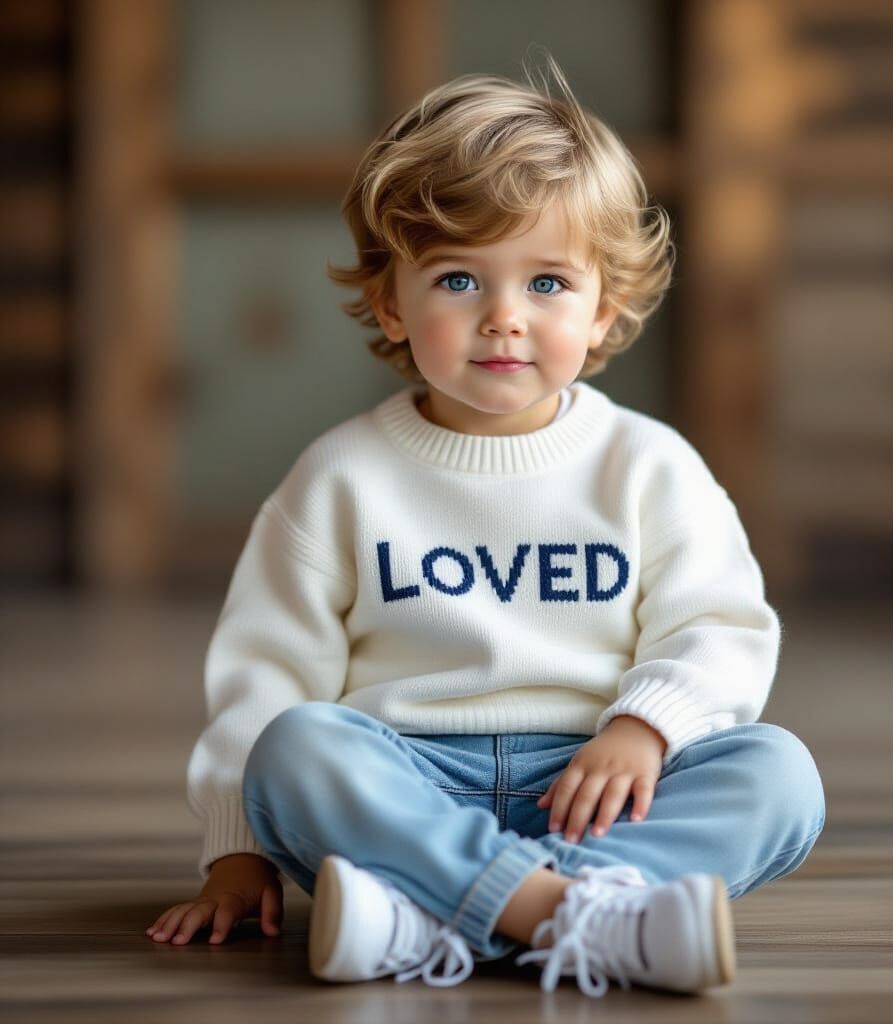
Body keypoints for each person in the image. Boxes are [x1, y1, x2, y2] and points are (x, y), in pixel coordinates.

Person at [146, 53, 826, 999]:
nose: (504, 318)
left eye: (548, 283)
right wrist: (237, 852)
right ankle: (584, 921)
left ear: (604, 310)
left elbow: (721, 626)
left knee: (778, 772)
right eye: (459, 281)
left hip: (597, 787)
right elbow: (265, 672)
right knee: (295, 747)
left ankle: (427, 919)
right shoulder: (341, 476)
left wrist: (645, 724)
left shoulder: (650, 466)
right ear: (392, 301)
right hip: (407, 784)